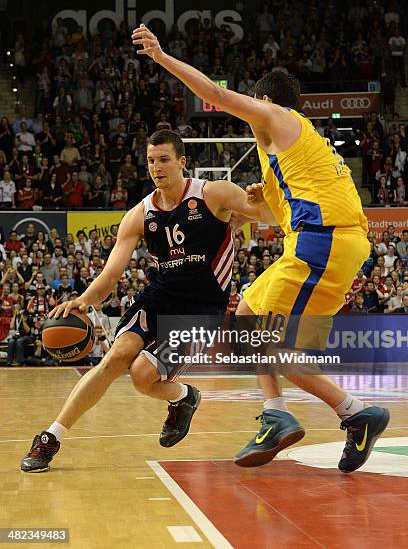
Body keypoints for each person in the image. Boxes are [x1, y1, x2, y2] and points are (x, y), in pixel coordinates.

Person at [131, 24, 390, 473]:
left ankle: (349, 412)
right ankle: (292, 413)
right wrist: (261, 199)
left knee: (254, 335)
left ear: (265, 101)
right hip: (331, 241)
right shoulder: (290, 147)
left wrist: (160, 57)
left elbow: (214, 91)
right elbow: (272, 214)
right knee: (252, 319)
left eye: (254, 104)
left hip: (322, 240)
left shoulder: (277, 119)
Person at [20, 130, 274, 472]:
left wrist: (265, 199)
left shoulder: (214, 194)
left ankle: (183, 397)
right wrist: (84, 300)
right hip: (158, 298)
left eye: (164, 159)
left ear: (182, 162)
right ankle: (51, 437)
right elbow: (110, 276)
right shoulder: (140, 214)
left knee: (142, 377)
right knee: (114, 359)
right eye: (151, 160)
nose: (157, 167)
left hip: (201, 309)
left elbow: (273, 218)